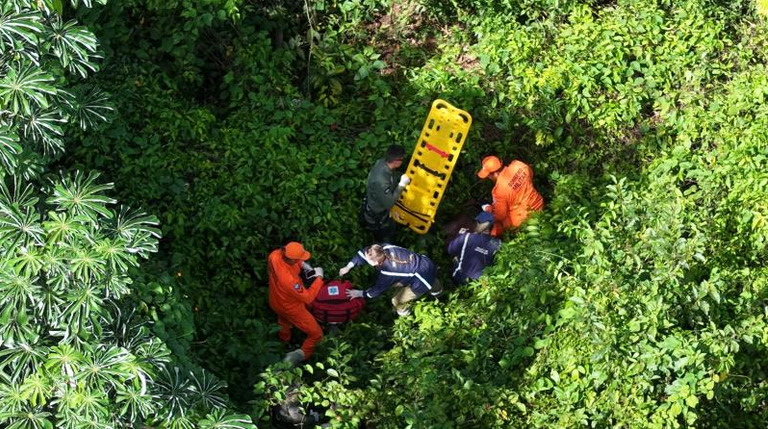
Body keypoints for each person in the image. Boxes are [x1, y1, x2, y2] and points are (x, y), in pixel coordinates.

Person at [339, 244, 442, 316]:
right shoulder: (384, 247)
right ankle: (438, 292)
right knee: (432, 279)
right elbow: (363, 253)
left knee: (396, 300)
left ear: (375, 263)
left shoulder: (388, 273)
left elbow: (376, 290)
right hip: (426, 263)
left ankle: (404, 313)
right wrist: (348, 266)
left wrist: (359, 293)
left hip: (421, 280)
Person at [267, 242, 325, 365]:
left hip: (276, 300)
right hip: (291, 308)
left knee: (284, 321)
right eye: (299, 259)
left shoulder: (274, 255)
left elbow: (293, 263)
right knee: (317, 334)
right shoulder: (289, 281)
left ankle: (283, 342)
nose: (301, 261)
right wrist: (319, 278)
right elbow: (308, 298)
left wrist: (304, 266)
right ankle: (299, 355)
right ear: (292, 259)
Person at [477, 155, 544, 237]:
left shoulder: (499, 191)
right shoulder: (518, 165)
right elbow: (531, 174)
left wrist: (491, 210)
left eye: (488, 176)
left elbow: (500, 215)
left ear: (494, 174)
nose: (488, 178)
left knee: (495, 225)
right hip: (538, 205)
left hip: (523, 220)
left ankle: (500, 240)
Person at [360, 145, 411, 243]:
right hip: (378, 216)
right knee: (385, 237)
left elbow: (392, 176)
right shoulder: (381, 181)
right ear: (396, 161)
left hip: (380, 208)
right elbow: (389, 203)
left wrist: (401, 177)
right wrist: (401, 185)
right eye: (402, 159)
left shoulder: (382, 163)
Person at [447, 211, 501, 285]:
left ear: (479, 224)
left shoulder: (467, 236)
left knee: (456, 257)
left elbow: (450, 250)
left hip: (461, 278)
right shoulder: (498, 244)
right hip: (481, 283)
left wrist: (460, 236)